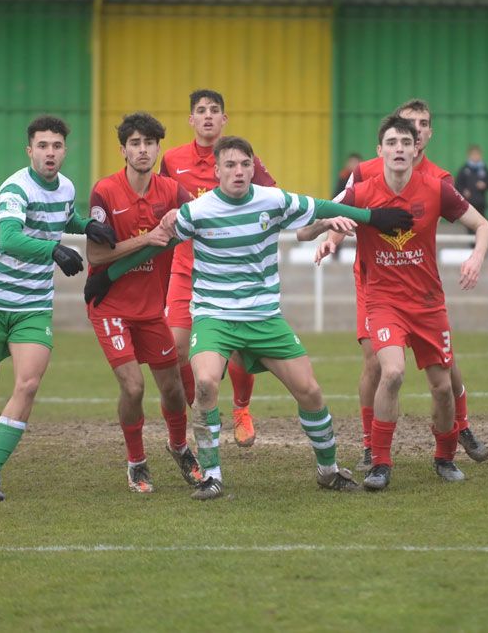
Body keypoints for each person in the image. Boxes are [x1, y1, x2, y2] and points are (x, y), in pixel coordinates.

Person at [86, 135, 413, 500]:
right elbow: (161, 243)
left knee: (310, 390)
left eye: (245, 165)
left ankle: (328, 469)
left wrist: (374, 218)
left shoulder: (272, 200)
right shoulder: (198, 211)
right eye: (230, 165)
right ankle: (212, 476)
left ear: (253, 168)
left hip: (264, 317)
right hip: (214, 317)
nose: (239, 172)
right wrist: (108, 277)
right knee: (206, 384)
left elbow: (321, 207)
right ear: (217, 171)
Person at [0, 115, 117, 501]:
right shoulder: (15, 188)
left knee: (28, 383)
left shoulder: (65, 187)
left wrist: (83, 227)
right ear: (29, 150)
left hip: (33, 305)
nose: (50, 152)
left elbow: (62, 218)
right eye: (42, 146)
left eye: (57, 146)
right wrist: (54, 249)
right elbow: (10, 238)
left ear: (65, 150)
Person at [301, 98, 488, 471]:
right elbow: (336, 214)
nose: (410, 137)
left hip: (424, 293)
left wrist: (476, 256)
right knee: (381, 365)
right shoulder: (365, 177)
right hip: (375, 284)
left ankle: (457, 431)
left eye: (419, 128)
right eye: (403, 131)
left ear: (425, 136)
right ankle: (375, 449)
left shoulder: (438, 183)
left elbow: (480, 223)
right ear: (384, 144)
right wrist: (331, 236)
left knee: (444, 373)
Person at [86, 112, 201, 493]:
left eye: (149, 143)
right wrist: (148, 239)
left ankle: (179, 446)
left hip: (152, 309)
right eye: (134, 143)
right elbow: (96, 255)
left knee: (173, 390)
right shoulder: (105, 191)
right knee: (134, 388)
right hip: (111, 307)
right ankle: (136, 461)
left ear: (157, 148)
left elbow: (198, 220)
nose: (142, 149)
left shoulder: (171, 191)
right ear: (123, 150)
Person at [158, 89, 277, 449]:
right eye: (200, 111)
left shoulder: (242, 157)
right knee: (175, 351)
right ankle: (201, 411)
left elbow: (273, 198)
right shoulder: (173, 159)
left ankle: (242, 409)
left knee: (240, 348)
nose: (208, 116)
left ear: (224, 119)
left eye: (214, 111)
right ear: (190, 120)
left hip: (233, 272)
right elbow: (160, 203)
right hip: (185, 270)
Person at [455, 144, 488, 222]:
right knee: (471, 225)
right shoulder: (464, 169)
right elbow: (457, 185)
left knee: (482, 224)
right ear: (469, 155)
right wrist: (464, 191)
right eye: (473, 154)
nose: (475, 156)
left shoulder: (484, 169)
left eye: (477, 154)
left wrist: (484, 185)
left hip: (481, 203)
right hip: (469, 203)